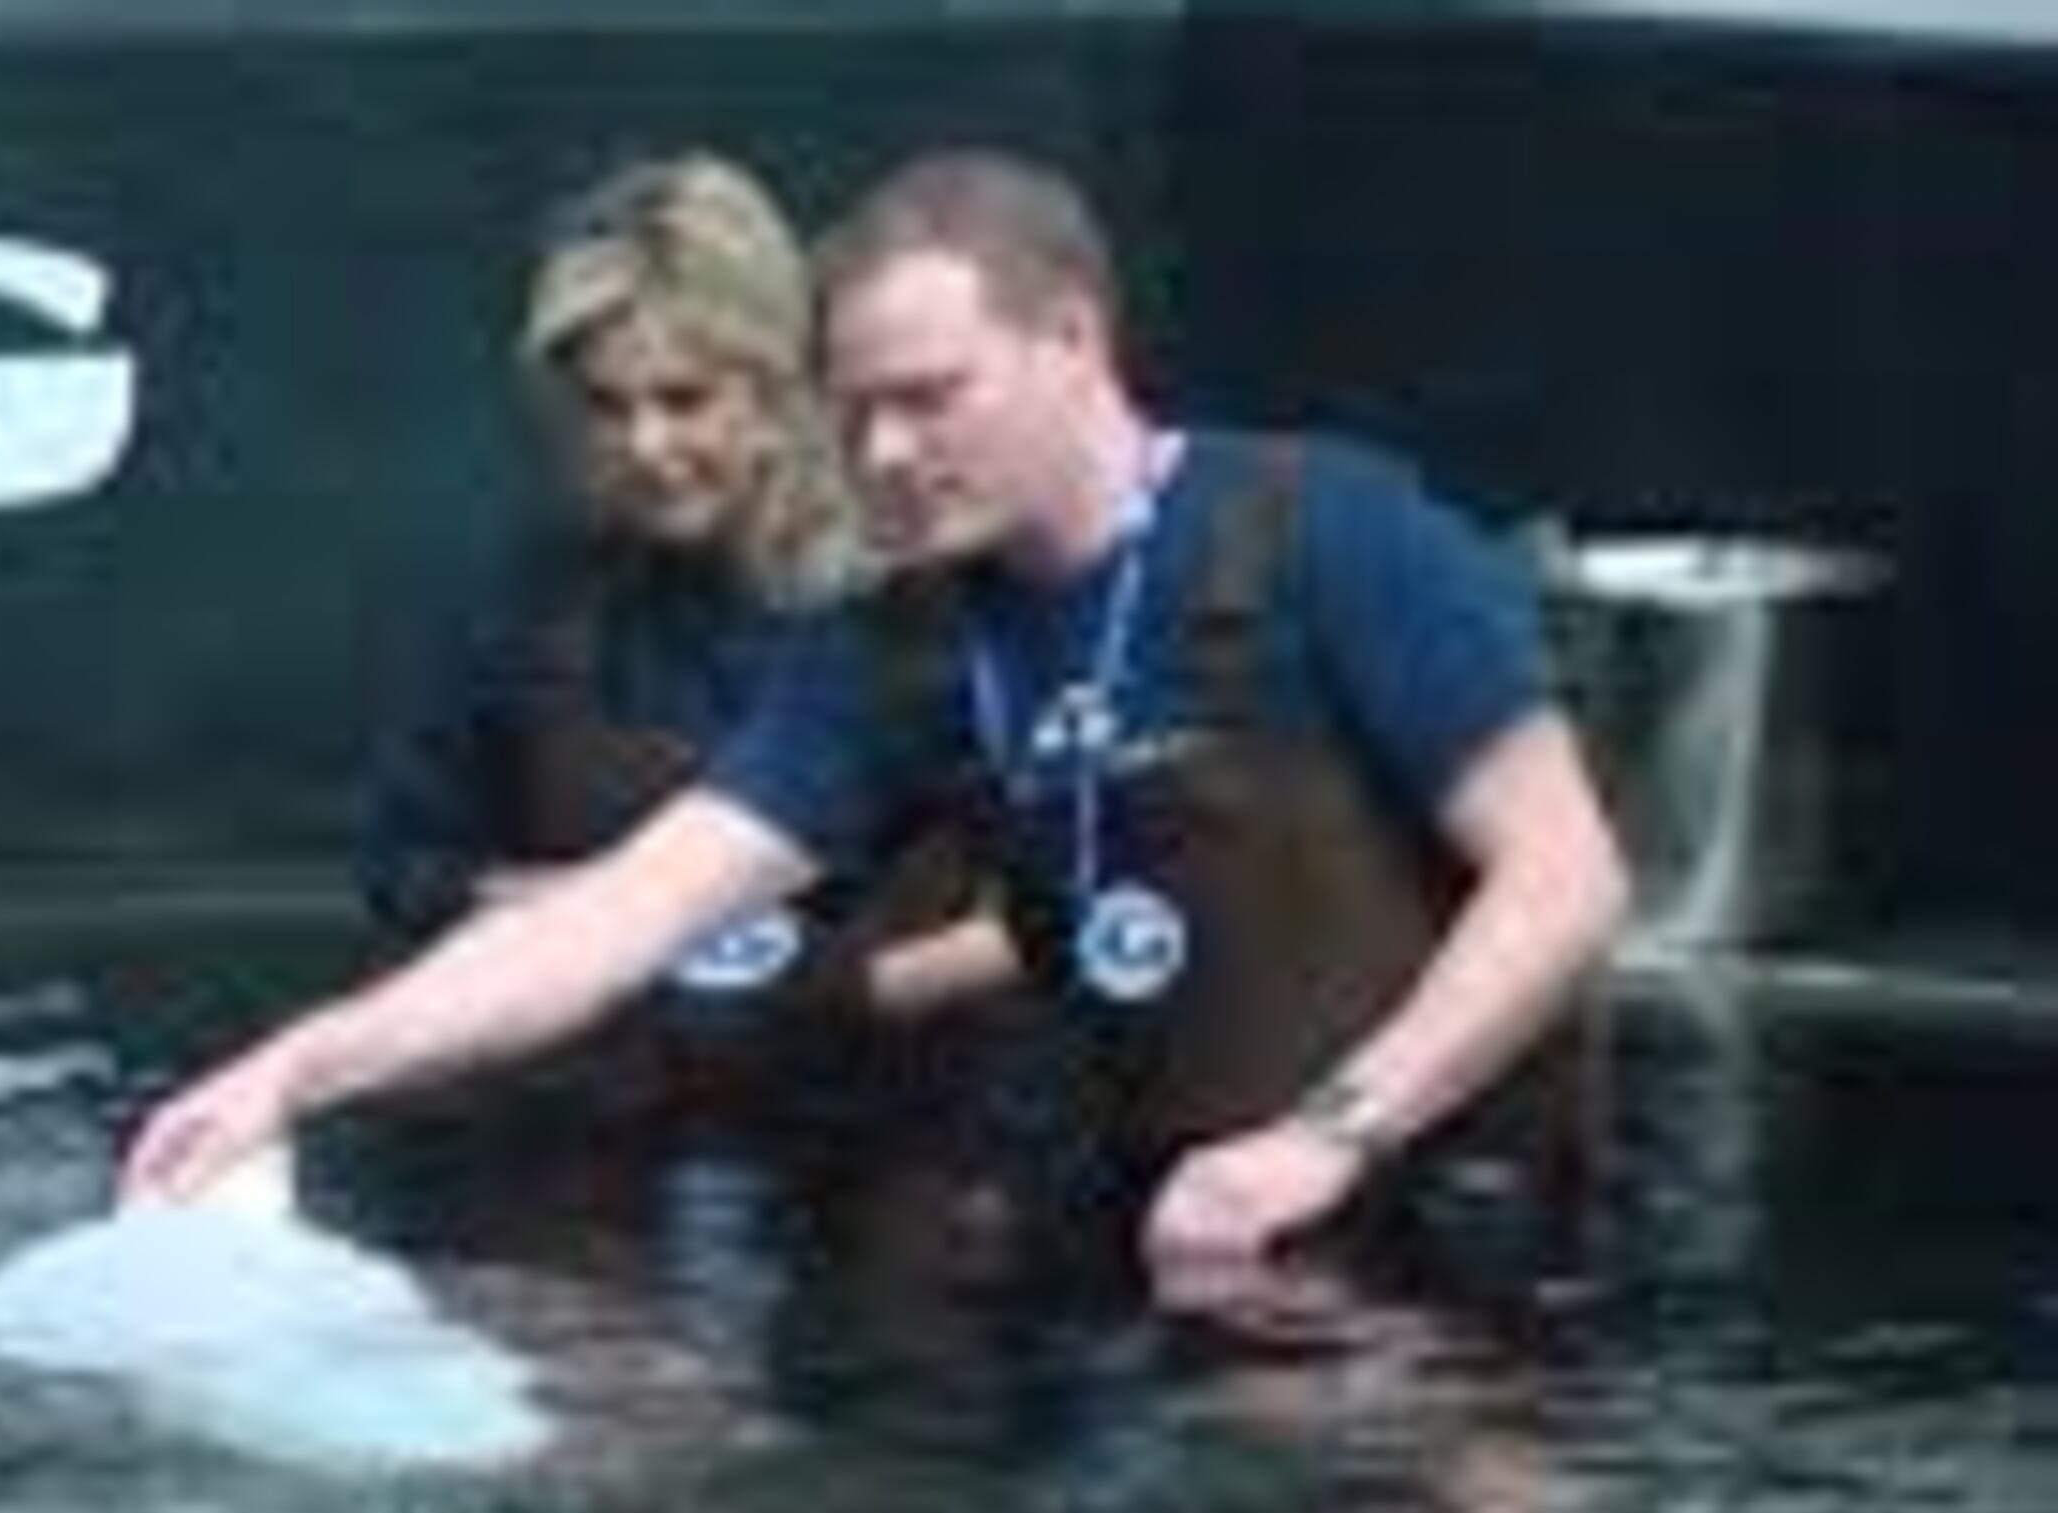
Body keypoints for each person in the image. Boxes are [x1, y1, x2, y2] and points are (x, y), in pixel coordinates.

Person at [124, 147, 1629, 1273]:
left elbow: (1567, 879)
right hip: (1181, 1246)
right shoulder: (899, 652)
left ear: (1075, 342)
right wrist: (295, 1069)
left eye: (932, 395)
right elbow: (617, 921)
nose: (888, 452)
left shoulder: (1332, 531)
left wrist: (1329, 1138)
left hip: (1448, 1225)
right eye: (857, 415)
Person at [359, 150, 1009, 1116]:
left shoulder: (928, 596)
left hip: (897, 1131)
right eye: (606, 408)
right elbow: (406, 867)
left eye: (684, 400)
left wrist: (849, 989)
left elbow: (1072, 897)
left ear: (779, 388)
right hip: (607, 1124)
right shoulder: (534, 603)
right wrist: (574, 920)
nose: (646, 448)